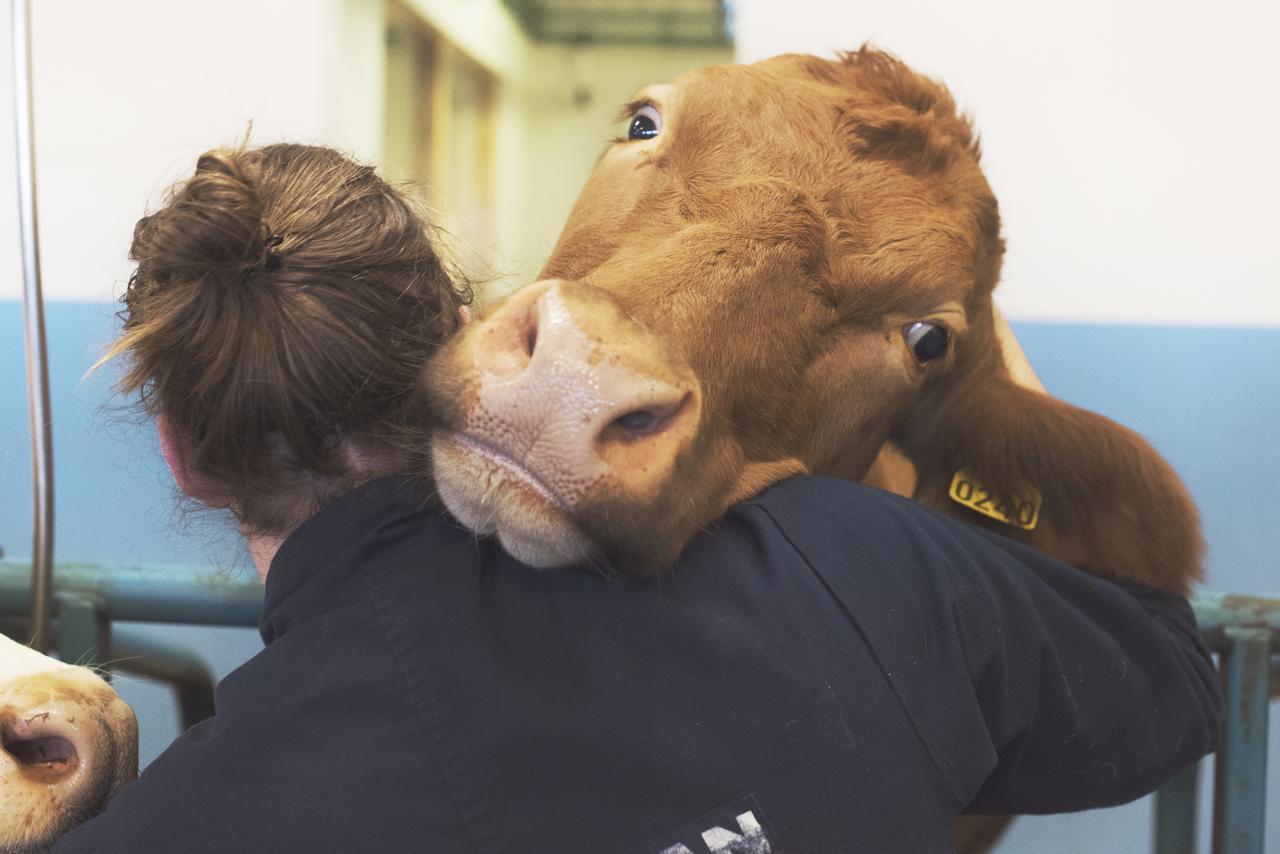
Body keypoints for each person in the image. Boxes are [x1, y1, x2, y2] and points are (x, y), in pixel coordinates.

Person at [55, 143, 1221, 853]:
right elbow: (1166, 683)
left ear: (182, 455)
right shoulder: (846, 557)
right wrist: (969, 369)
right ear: (474, 340)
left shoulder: (192, 824)